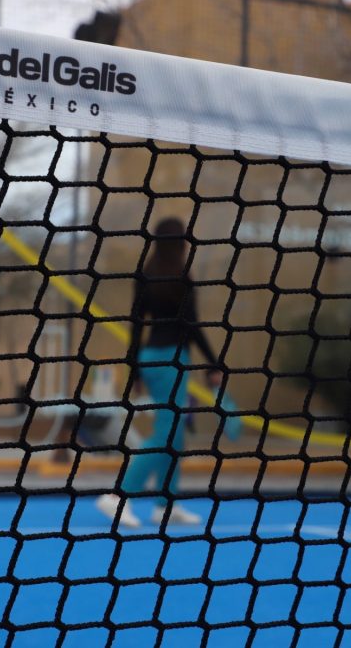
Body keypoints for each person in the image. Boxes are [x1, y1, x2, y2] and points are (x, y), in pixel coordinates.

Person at [96, 218, 222, 528]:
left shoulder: (146, 274)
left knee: (174, 434)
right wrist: (213, 363)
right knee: (167, 433)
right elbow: (191, 325)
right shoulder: (182, 277)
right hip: (172, 360)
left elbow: (136, 325)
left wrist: (135, 370)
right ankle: (117, 497)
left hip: (150, 358)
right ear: (180, 242)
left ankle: (166, 504)